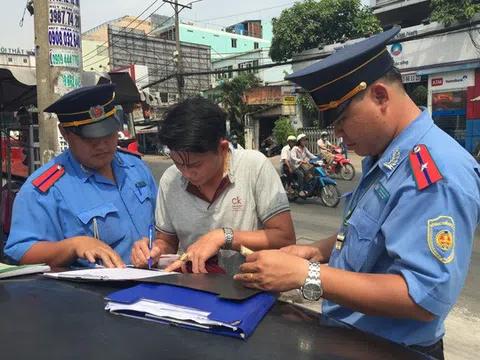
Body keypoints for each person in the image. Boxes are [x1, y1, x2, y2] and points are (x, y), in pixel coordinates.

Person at [234, 28, 480, 359]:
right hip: (350, 338)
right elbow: (372, 234)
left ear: (380, 96)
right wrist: (313, 253)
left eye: (342, 120)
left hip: (394, 349)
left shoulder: (435, 171)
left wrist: (306, 275)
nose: (337, 135)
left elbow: (422, 297)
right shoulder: (385, 154)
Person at [130, 97, 295, 275]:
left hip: (252, 287)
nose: (186, 173)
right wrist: (154, 250)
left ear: (222, 149)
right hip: (196, 290)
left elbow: (284, 237)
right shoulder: (170, 179)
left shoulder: (254, 167)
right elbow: (168, 241)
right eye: (178, 163)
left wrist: (224, 236)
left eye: (195, 165)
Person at [4, 84, 158, 268]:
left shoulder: (135, 167)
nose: (102, 145)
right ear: (65, 133)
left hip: (153, 284)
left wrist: (158, 247)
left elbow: (162, 228)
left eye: (109, 134)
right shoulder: (44, 189)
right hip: (93, 293)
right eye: (90, 139)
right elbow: (21, 252)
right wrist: (73, 246)